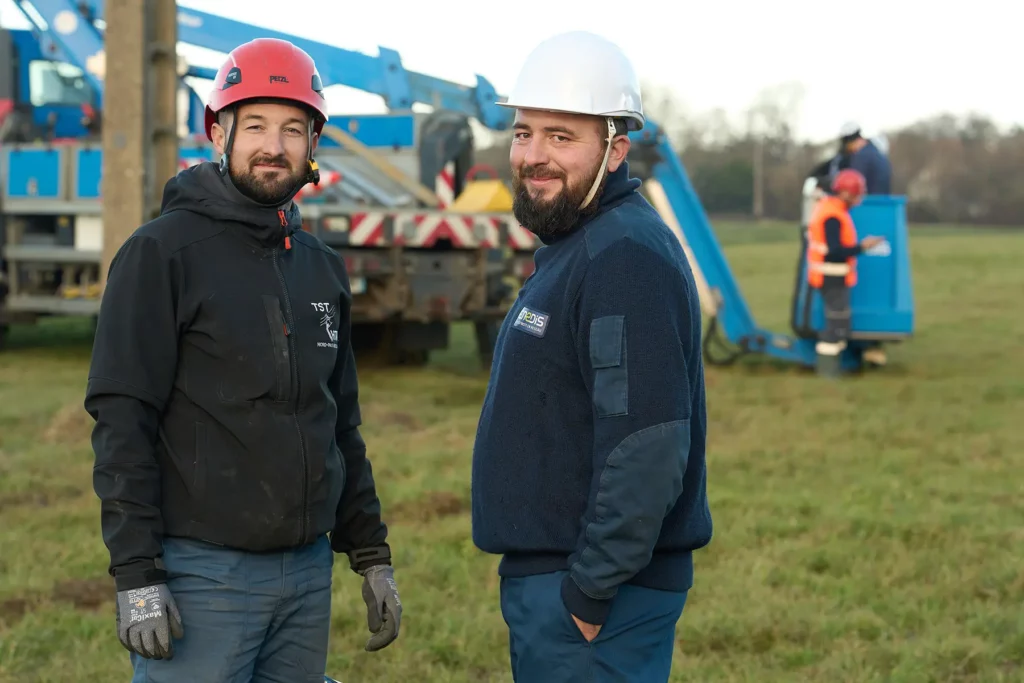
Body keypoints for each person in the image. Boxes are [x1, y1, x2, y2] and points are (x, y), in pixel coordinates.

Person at [84, 37, 402, 681]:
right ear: (218, 133)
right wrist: (138, 575)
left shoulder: (321, 269)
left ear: (314, 145)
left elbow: (339, 425)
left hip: (306, 576)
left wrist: (370, 553)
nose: (273, 145)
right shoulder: (162, 254)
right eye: (254, 124)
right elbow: (123, 422)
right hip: (203, 574)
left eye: (293, 128)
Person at [470, 30, 712, 683]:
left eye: (561, 136)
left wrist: (589, 591)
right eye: (525, 133)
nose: (534, 155)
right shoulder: (578, 246)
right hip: (563, 588)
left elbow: (649, 445)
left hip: (595, 604)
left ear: (616, 148)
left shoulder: (624, 257)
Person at [806, 168, 884, 377]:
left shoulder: (832, 210)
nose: (859, 199)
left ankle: (836, 368)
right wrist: (863, 247)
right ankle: (828, 373)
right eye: (857, 194)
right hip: (831, 276)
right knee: (836, 325)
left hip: (832, 276)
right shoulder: (833, 215)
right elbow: (835, 251)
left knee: (839, 323)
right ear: (847, 193)